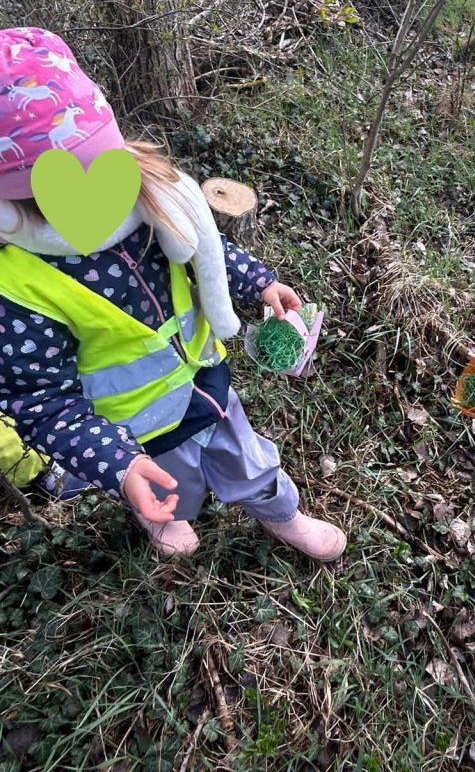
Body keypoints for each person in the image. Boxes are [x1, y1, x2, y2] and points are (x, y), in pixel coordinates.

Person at [0, 27, 346, 560]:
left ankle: (282, 514)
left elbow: (204, 248)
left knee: (250, 462)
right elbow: (41, 401)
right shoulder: (18, 286)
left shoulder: (146, 192)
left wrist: (259, 282)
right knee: (168, 483)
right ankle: (165, 518)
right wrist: (120, 464)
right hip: (132, 427)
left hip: (208, 382)